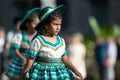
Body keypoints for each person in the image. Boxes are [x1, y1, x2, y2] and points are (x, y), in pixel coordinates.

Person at [18, 5, 83, 80]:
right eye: (55, 24)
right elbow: (31, 60)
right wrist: (22, 76)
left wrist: (75, 71)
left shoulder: (61, 41)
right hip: (43, 75)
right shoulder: (38, 41)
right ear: (46, 25)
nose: (58, 28)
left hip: (59, 74)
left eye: (60, 24)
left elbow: (65, 59)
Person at [5, 7, 41, 80]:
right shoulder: (20, 36)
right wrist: (22, 58)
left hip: (34, 62)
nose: (37, 26)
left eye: (38, 24)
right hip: (21, 62)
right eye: (34, 24)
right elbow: (16, 50)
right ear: (27, 24)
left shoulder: (38, 36)